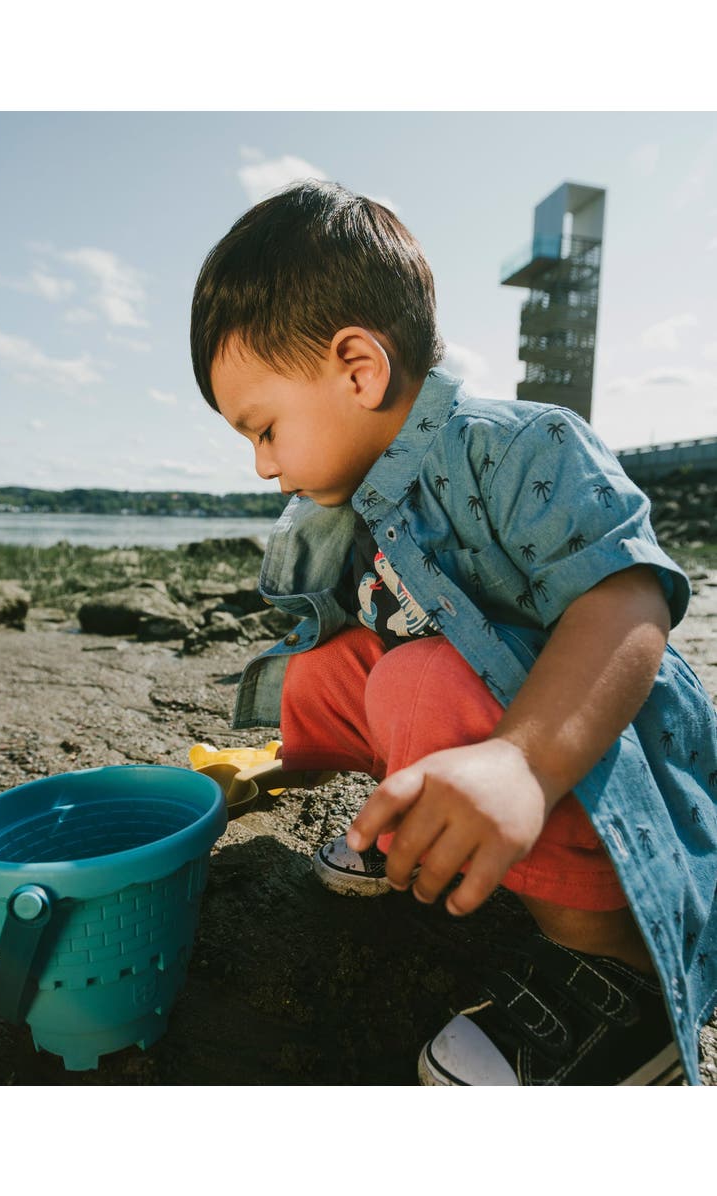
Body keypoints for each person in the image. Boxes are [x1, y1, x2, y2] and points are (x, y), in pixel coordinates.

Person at [190, 180, 717, 1085]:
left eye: (265, 428)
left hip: (596, 739)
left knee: (412, 683)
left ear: (359, 369)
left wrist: (522, 761)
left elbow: (627, 604)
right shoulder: (359, 496)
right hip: (478, 709)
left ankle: (616, 978)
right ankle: (424, 822)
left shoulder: (521, 447)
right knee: (324, 673)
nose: (263, 466)